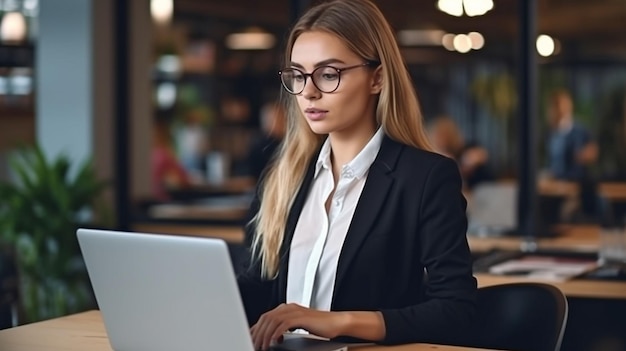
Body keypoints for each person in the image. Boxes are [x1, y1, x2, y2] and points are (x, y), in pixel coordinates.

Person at [237, 1, 477, 349]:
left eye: (329, 74)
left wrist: (338, 321)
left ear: (377, 78)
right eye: (298, 75)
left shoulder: (425, 178)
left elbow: (455, 310)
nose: (309, 92)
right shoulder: (285, 176)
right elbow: (259, 287)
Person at [427, 115, 494, 190]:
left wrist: (466, 163)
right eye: (439, 136)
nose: (442, 140)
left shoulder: (463, 150)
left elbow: (482, 155)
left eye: (445, 135)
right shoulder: (432, 157)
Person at [245, 100, 287, 180]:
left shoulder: (287, 143)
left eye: (282, 117)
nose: (283, 121)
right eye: (277, 119)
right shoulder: (260, 147)